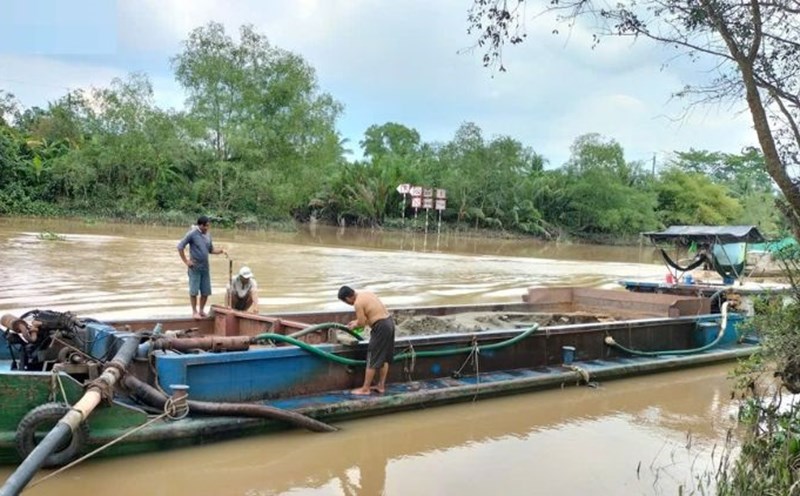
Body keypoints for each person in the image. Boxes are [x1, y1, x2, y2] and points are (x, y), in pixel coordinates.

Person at [338, 285, 395, 395]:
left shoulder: (357, 303)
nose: (348, 304)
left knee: (372, 357)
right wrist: (356, 321)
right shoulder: (366, 294)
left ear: (347, 298)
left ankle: (365, 389)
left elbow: (362, 324)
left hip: (381, 327)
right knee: (384, 358)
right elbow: (369, 315)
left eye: (346, 302)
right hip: (389, 322)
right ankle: (381, 386)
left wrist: (355, 325)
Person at [177, 215, 226, 319]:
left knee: (206, 291)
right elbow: (180, 247)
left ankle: (201, 310)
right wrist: (186, 261)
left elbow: (210, 250)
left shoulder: (208, 235)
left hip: (205, 267)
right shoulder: (192, 234)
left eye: (208, 226)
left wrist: (221, 251)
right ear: (200, 225)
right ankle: (194, 312)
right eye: (206, 226)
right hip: (194, 267)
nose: (207, 228)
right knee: (194, 291)